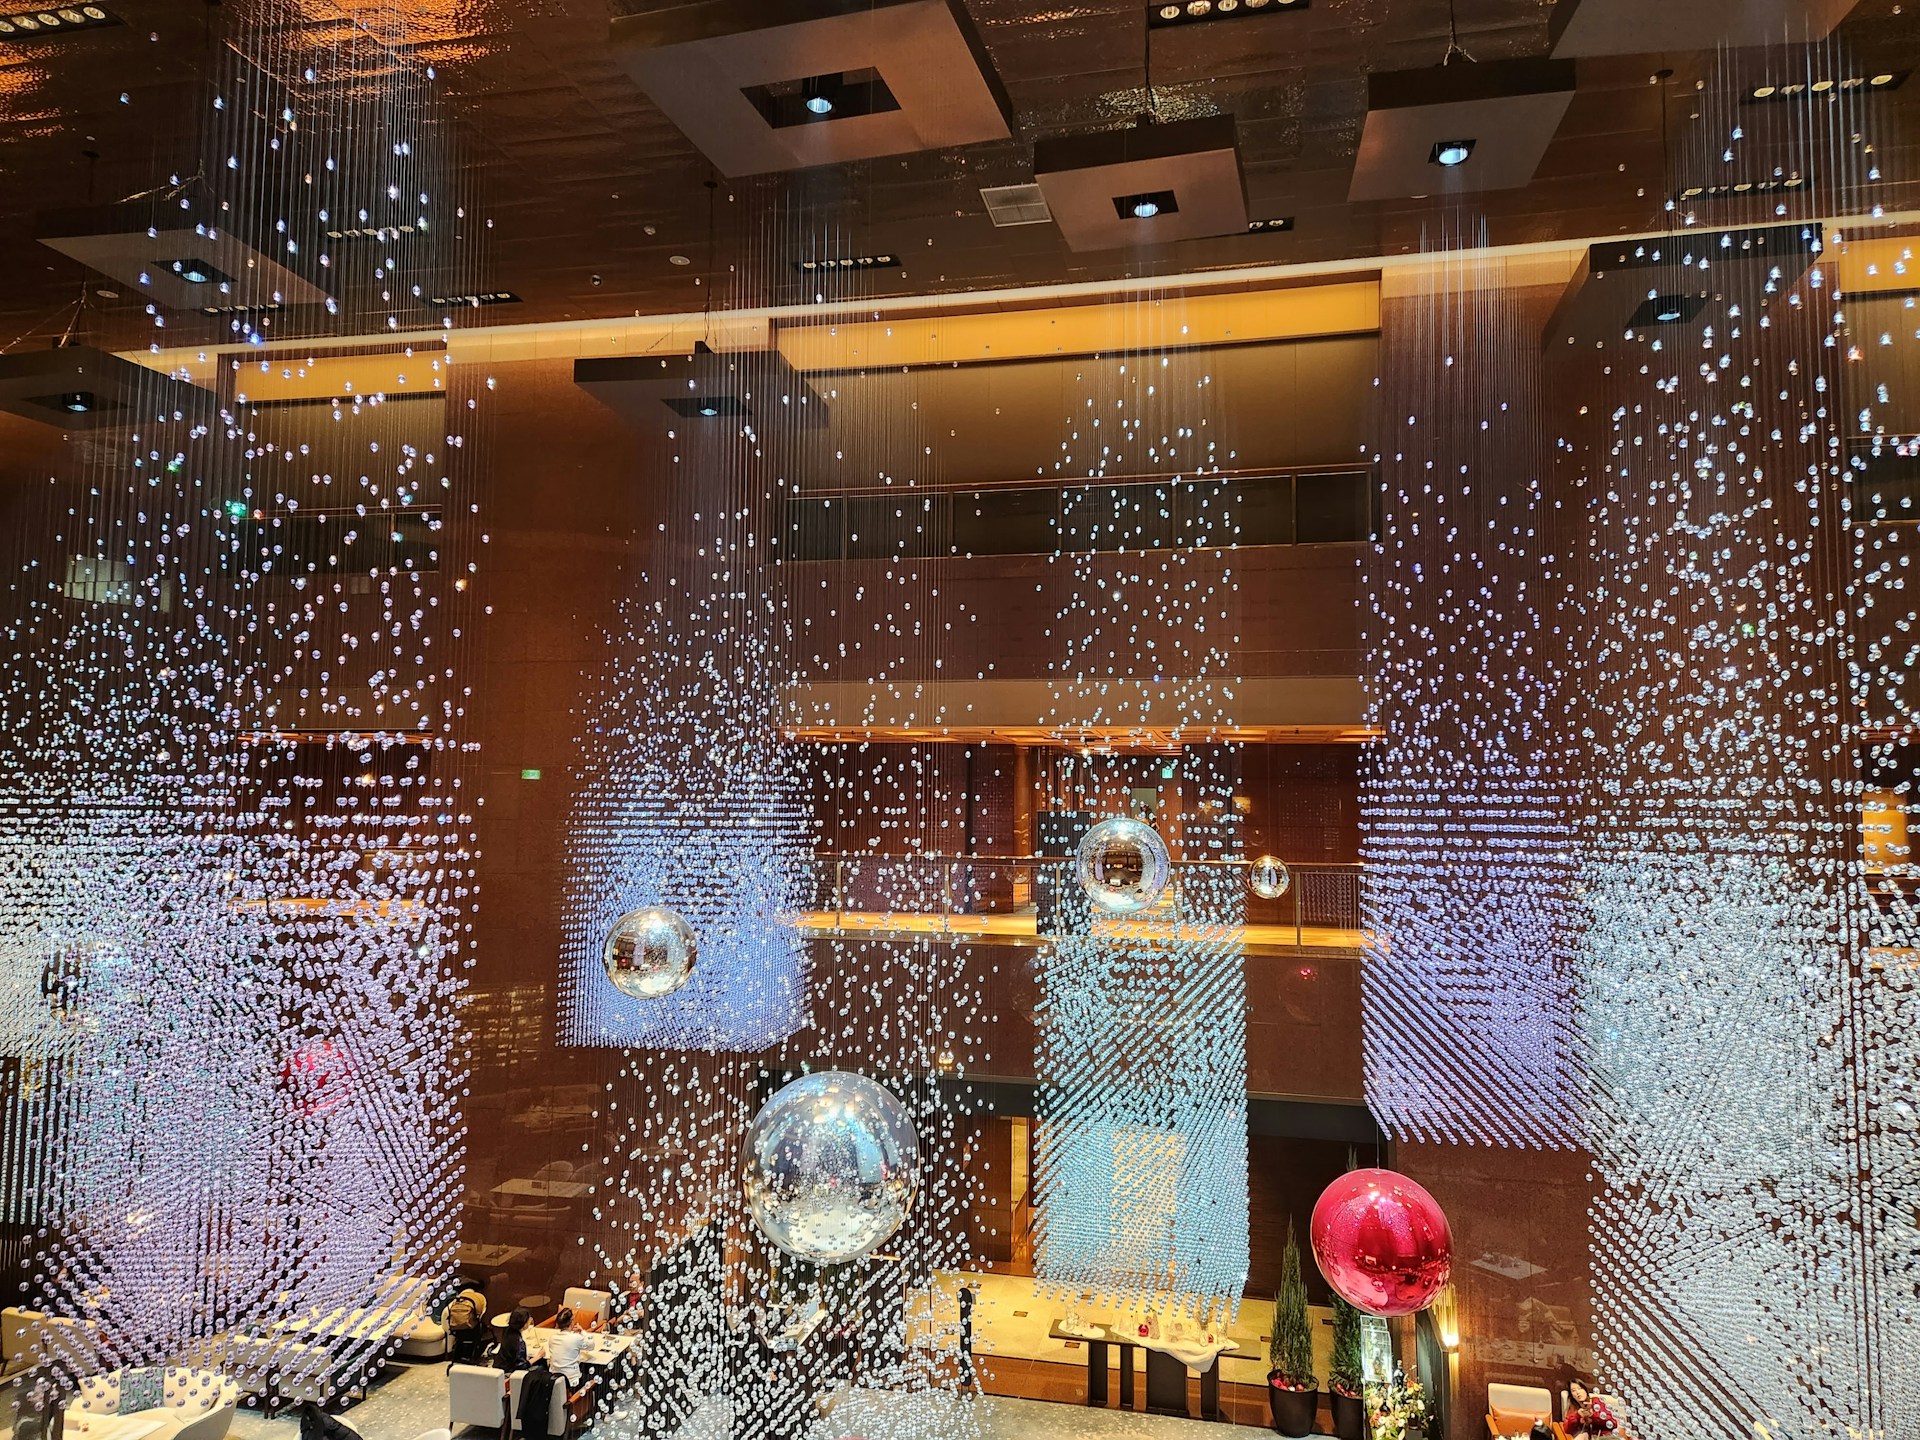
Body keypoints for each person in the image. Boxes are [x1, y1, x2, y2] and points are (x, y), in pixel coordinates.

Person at [542, 1305, 600, 1389]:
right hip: (573, 1382)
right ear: (572, 1321)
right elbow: (591, 1345)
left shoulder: (552, 1338)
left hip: (554, 1381)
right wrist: (582, 1331)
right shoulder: (575, 1338)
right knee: (595, 1376)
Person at [494, 1307, 531, 1373]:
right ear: (524, 1324)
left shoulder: (508, 1330)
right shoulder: (518, 1341)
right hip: (509, 1372)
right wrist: (538, 1356)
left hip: (499, 1366)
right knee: (541, 1366)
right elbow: (521, 1366)